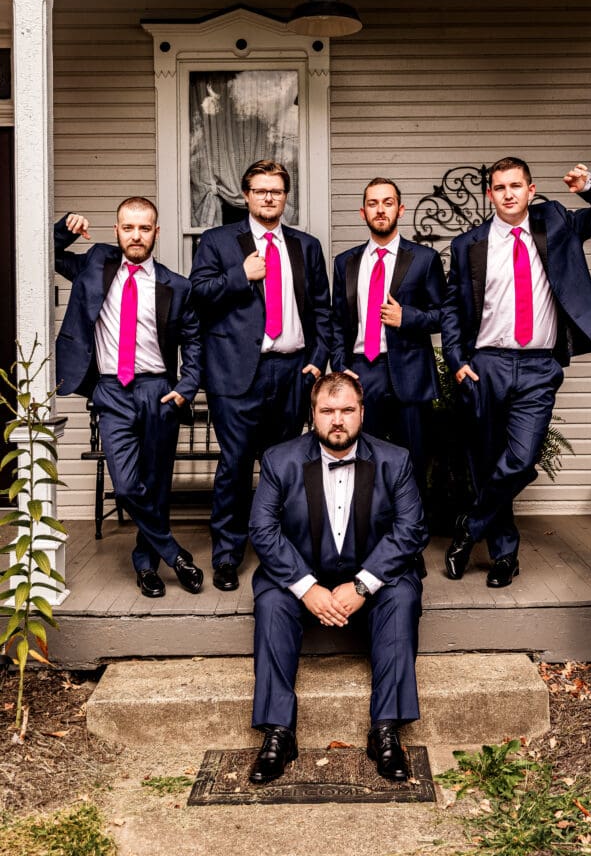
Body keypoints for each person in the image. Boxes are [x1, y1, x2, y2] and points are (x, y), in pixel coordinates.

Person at [247, 372, 428, 785]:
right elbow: (262, 530)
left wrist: (364, 585)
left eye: (347, 410)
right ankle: (279, 733)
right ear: (313, 415)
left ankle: (385, 730)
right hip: (303, 577)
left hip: (372, 579)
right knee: (271, 602)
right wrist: (306, 587)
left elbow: (411, 530)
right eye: (328, 411)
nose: (338, 420)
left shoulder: (394, 460)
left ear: (362, 412)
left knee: (401, 595)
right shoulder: (280, 459)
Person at [441, 158, 591, 588]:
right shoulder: (469, 245)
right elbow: (453, 310)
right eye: (499, 187)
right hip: (486, 365)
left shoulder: (556, 226)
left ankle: (469, 527)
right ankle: (504, 557)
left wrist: (590, 185)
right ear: (490, 194)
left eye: (516, 186)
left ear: (531, 190)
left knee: (520, 459)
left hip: (537, 365)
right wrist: (458, 361)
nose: (508, 194)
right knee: (486, 462)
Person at [189, 159, 331, 592]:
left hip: (291, 372)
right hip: (235, 375)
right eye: (261, 190)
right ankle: (228, 554)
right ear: (246, 196)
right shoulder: (217, 242)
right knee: (234, 466)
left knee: (286, 467)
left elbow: (322, 309)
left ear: (286, 197)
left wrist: (317, 358)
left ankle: (281, 551)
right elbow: (197, 296)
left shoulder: (306, 246)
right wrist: (240, 275)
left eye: (277, 191)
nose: (269, 197)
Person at [54, 198, 204, 597]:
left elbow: (193, 342)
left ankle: (147, 567)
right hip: (111, 390)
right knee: (125, 486)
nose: (135, 235)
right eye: (128, 227)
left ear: (156, 231)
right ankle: (174, 554)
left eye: (144, 228)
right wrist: (65, 229)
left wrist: (185, 389)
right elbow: (47, 254)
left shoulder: (177, 285)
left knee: (155, 486)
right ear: (117, 230)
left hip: (159, 392)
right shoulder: (94, 265)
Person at [330, 177, 446, 493]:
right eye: (373, 203)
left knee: (414, 460)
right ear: (362, 212)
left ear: (400, 209)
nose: (380, 210)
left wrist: (406, 317)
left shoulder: (424, 260)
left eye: (387, 202)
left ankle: (411, 533)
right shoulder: (345, 263)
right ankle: (371, 530)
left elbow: (444, 315)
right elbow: (337, 322)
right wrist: (340, 366)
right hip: (361, 372)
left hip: (410, 373)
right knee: (364, 459)